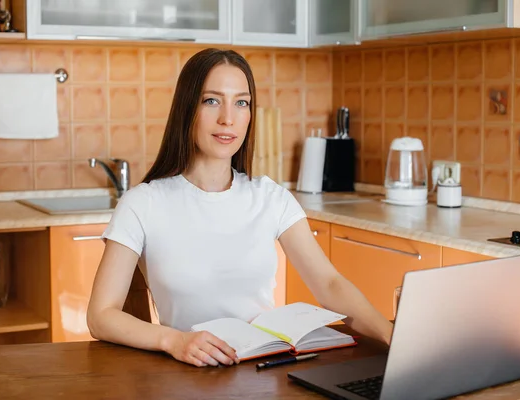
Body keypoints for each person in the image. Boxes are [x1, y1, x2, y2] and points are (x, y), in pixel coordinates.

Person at [86, 48, 393, 368]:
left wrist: (392, 337)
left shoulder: (271, 198)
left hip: (266, 370)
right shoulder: (143, 203)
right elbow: (101, 316)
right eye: (211, 100)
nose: (227, 118)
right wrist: (174, 340)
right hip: (188, 373)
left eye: (241, 102)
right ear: (186, 108)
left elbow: (329, 284)